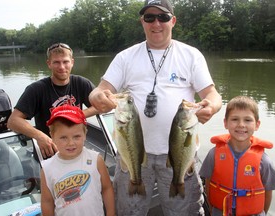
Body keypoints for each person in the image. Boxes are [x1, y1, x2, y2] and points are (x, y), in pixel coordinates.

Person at [89, 0, 222, 215]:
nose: (156, 23)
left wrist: (212, 106)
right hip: (134, 153)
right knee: (129, 212)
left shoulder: (191, 55)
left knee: (181, 212)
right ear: (142, 21)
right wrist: (97, 96)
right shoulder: (125, 57)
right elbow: (99, 90)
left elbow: (213, 94)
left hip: (178, 154)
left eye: (163, 17)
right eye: (149, 17)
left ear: (173, 21)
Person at [7, 43, 98, 159]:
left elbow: (101, 106)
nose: (61, 67)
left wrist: (76, 115)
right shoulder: (36, 89)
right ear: (49, 64)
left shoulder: (81, 83)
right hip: (49, 152)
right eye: (56, 62)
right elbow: (13, 121)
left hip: (76, 149)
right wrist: (39, 136)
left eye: (65, 62)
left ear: (72, 62)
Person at [199, 96, 275, 216]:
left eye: (247, 120)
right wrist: (211, 208)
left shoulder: (264, 161)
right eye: (235, 119)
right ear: (225, 123)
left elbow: (268, 192)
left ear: (257, 124)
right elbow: (208, 184)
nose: (241, 125)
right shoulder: (213, 155)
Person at [40, 105, 115, 216]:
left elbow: (107, 188)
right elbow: (47, 202)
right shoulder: (47, 168)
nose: (71, 143)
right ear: (52, 136)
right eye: (63, 137)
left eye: (76, 136)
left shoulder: (96, 160)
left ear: (85, 134)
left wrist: (111, 213)